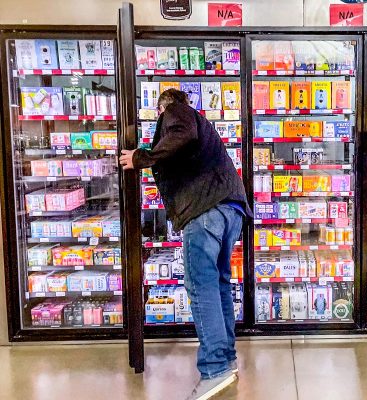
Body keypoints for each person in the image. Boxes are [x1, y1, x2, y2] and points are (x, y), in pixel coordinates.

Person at [119, 89, 251, 400]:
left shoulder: (176, 111)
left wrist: (141, 157)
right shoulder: (201, 122)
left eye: (158, 111)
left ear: (163, 105)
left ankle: (215, 369)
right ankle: (226, 359)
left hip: (205, 210)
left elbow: (181, 134)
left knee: (201, 286)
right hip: (229, 210)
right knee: (218, 286)